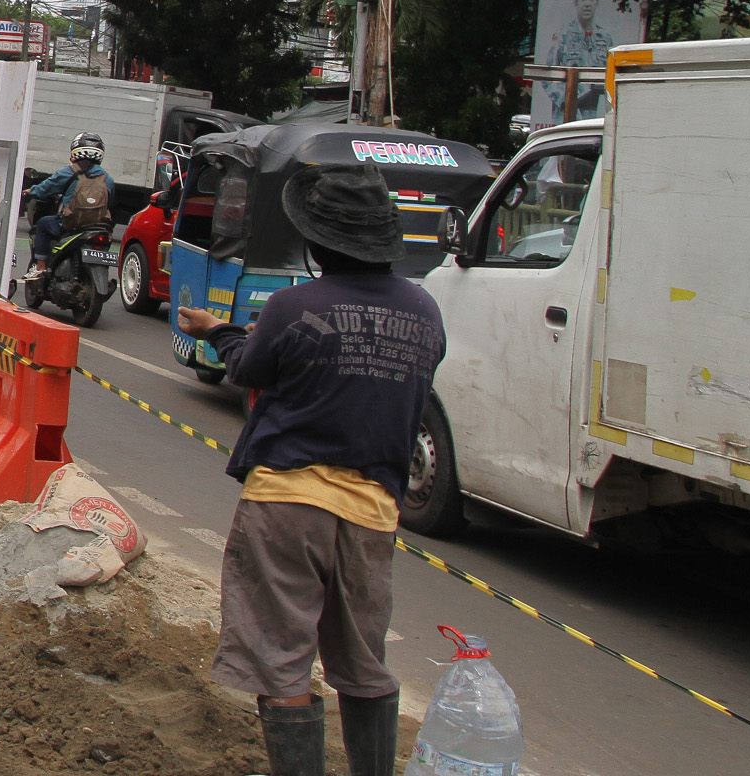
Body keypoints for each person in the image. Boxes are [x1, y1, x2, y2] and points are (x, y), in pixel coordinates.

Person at [174, 164, 445, 776]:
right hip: (373, 512)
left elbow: (249, 369)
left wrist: (219, 331)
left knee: (281, 657)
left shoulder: (295, 305)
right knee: (364, 663)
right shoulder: (424, 312)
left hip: (286, 505)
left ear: (318, 242)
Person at [26, 135, 115, 263]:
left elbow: (44, 190)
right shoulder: (108, 179)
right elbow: (109, 204)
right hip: (98, 227)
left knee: (42, 224)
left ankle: (40, 267)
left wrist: (30, 191)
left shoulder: (68, 172)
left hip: (69, 224)